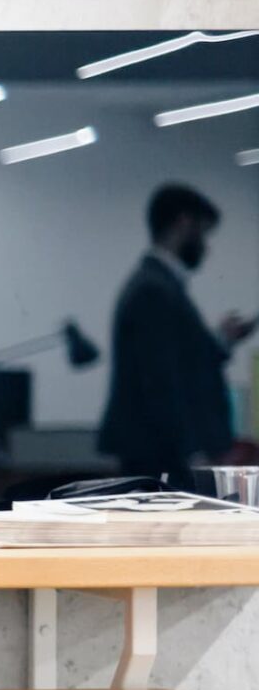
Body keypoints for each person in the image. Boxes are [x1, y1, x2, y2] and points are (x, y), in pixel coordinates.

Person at [98, 183, 250, 480]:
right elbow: (161, 381)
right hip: (163, 455)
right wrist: (193, 452)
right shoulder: (154, 290)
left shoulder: (158, 286)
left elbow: (179, 364)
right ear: (184, 223)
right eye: (203, 233)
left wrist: (220, 342)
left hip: (161, 451)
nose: (206, 246)